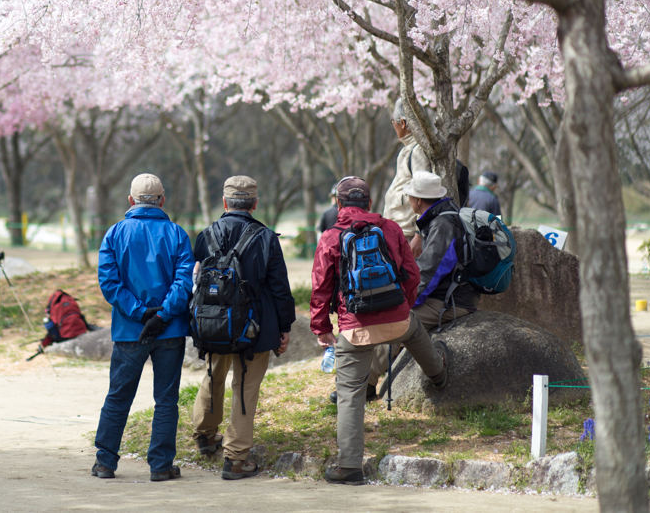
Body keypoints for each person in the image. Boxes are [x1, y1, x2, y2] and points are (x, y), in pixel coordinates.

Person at [311, 176, 448, 485]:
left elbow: (320, 289)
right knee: (415, 334)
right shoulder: (391, 229)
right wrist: (403, 307)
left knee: (349, 394)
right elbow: (412, 275)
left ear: (338, 204)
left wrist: (322, 329)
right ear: (370, 203)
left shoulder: (331, 237)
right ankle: (438, 375)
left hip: (355, 329)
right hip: (398, 319)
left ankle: (349, 467)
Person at [191, 175, 295, 480]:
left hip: (213, 325)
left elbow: (195, 283)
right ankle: (235, 459)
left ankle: (205, 435)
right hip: (255, 328)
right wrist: (284, 327)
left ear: (224, 203)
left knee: (214, 375)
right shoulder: (265, 238)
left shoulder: (205, 235)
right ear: (255, 204)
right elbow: (279, 288)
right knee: (245, 387)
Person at [93, 173, 193, 482]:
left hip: (129, 331)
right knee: (166, 400)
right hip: (170, 330)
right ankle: (161, 465)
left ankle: (105, 463)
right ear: (163, 200)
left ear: (130, 200)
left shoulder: (114, 234)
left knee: (118, 397)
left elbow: (109, 283)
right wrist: (162, 316)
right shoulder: (178, 234)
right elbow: (184, 281)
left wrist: (139, 313)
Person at [367, 171, 476, 390]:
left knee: (397, 320)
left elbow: (428, 274)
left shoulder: (442, 225)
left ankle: (363, 383)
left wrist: (403, 302)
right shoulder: (443, 216)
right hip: (446, 296)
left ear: (417, 200)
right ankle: (367, 379)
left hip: (449, 301)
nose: (408, 200)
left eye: (408, 196)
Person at [382, 99, 432, 257]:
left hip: (409, 236)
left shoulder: (417, 151)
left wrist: (419, 235)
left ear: (402, 123)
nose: (393, 125)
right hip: (400, 233)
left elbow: (425, 194)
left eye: (393, 121)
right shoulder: (408, 150)